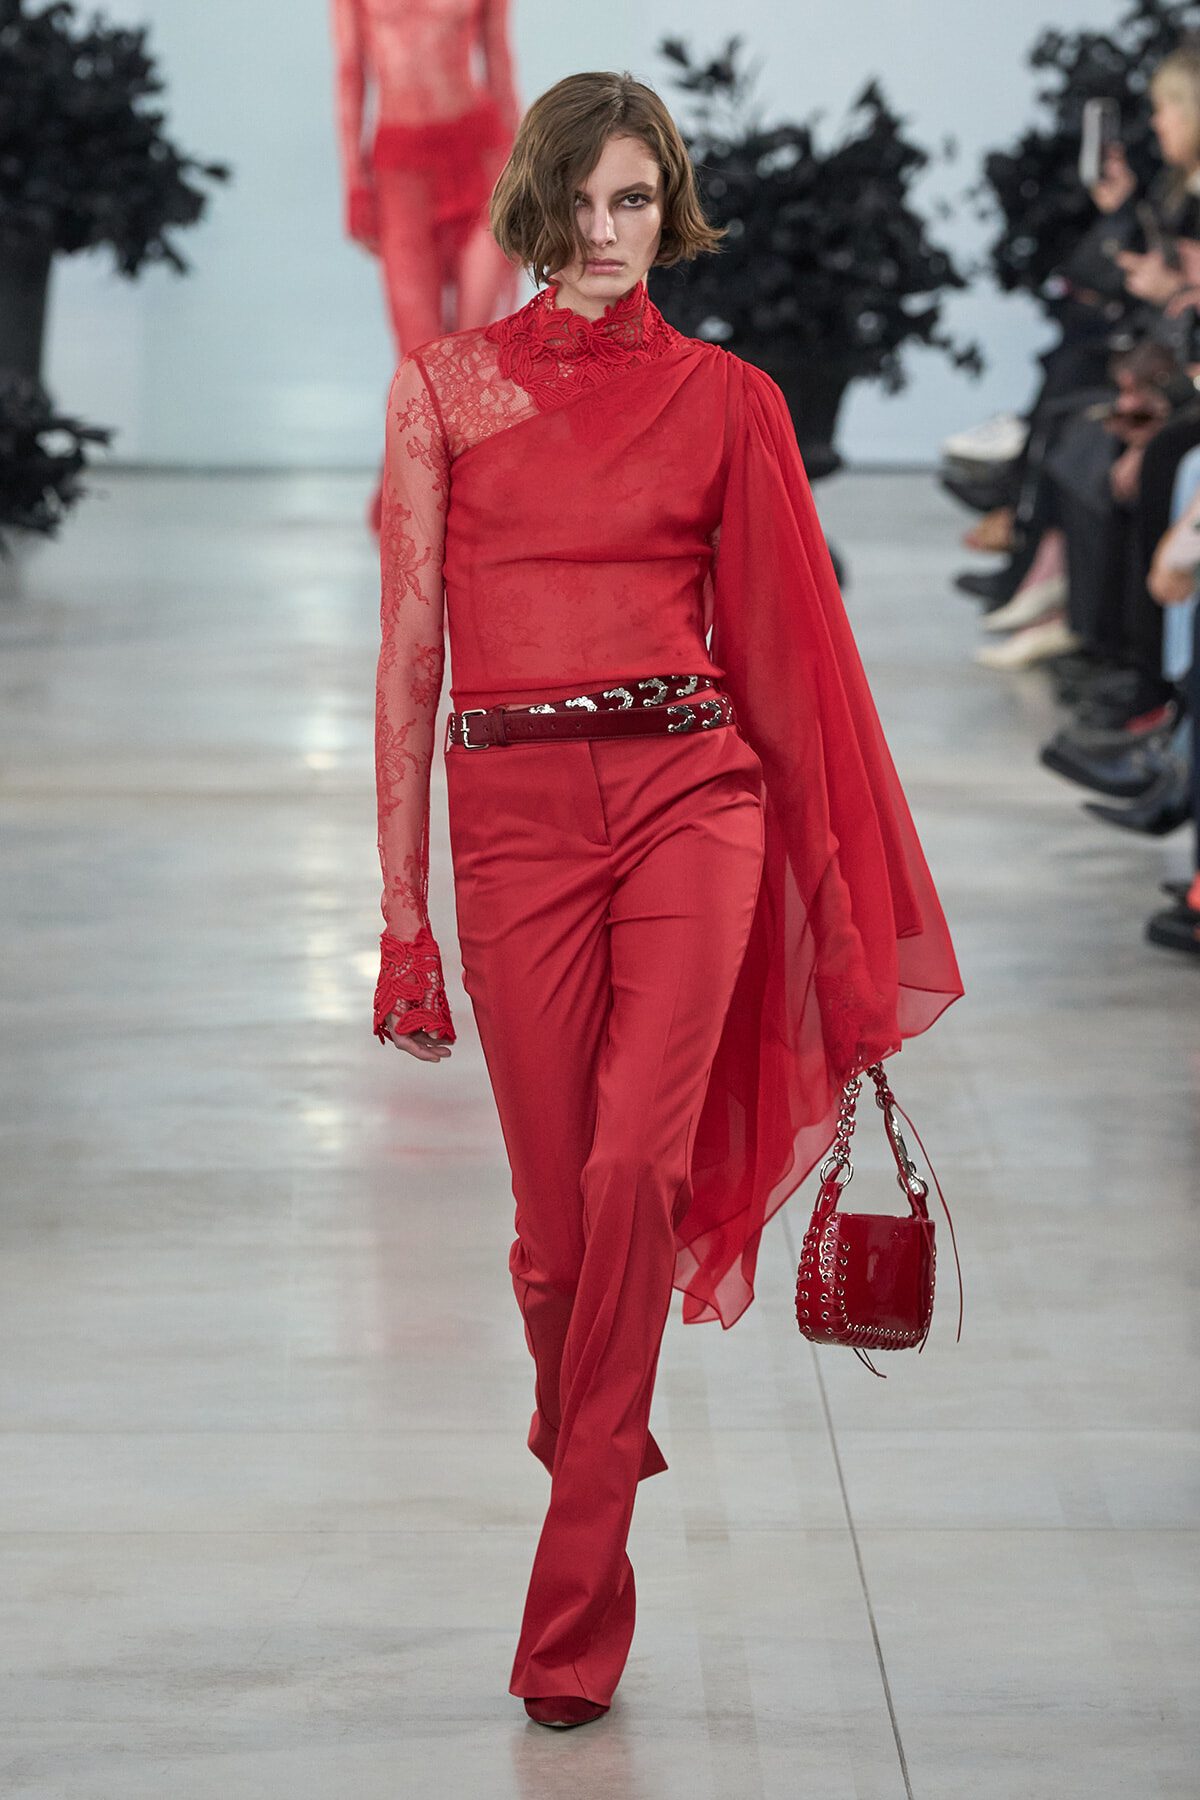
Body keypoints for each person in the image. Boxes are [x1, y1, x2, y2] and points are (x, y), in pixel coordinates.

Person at [371, 71, 963, 1728]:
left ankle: (571, 1615)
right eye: (583, 199)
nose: (608, 232)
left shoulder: (729, 401)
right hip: (508, 815)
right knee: (561, 1241)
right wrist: (402, 912)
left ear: (669, 207)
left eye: (637, 201)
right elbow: (411, 659)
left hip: (694, 800)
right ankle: (598, 1421)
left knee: (638, 1161)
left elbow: (789, 667)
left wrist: (837, 925)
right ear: (538, 205)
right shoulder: (445, 392)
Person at [330, 0, 520, 514]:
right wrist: (354, 183)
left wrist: (524, 180)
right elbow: (351, 73)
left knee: (476, 344)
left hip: (481, 155)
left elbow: (500, 64)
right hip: (401, 170)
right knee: (418, 352)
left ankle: (475, 503)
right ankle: (416, 500)